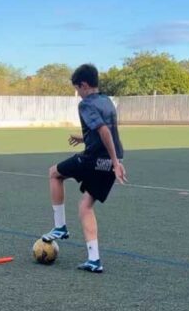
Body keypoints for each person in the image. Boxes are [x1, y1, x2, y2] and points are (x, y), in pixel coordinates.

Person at [40, 64, 127, 273]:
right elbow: (107, 132)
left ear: (84, 85)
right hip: (109, 161)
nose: (78, 95)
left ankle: (60, 227)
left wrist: (115, 162)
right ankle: (94, 259)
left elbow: (104, 131)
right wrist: (85, 139)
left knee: (54, 173)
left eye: (77, 89)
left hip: (95, 160)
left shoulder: (86, 104)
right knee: (86, 206)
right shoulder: (107, 101)